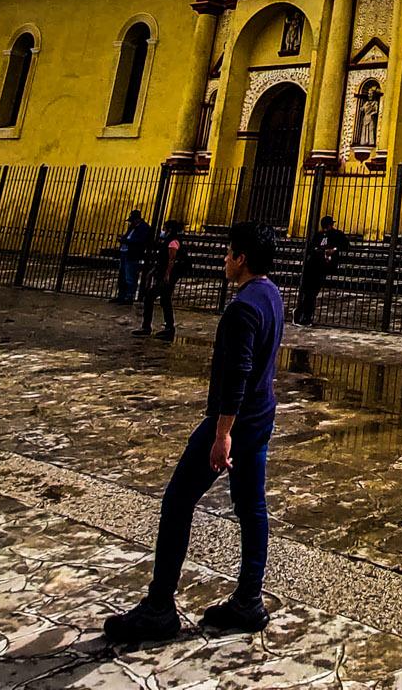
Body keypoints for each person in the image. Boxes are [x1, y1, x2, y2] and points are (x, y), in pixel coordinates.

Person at [105, 222, 284, 645]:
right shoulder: (272, 294)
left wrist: (222, 434)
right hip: (260, 417)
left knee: (178, 500)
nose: (223, 259)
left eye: (227, 254)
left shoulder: (243, 307)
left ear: (241, 258)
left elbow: (237, 374)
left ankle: (159, 607)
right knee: (252, 507)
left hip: (234, 424)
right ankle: (248, 600)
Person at [135, 219, 190, 341]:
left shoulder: (173, 241)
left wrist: (167, 274)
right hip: (165, 275)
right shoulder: (169, 240)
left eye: (164, 228)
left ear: (169, 229)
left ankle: (147, 327)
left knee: (150, 296)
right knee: (165, 300)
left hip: (168, 276)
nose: (163, 231)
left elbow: (171, 259)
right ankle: (168, 328)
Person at [294, 215, 349, 328]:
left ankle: (303, 315)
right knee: (310, 293)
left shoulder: (334, 234)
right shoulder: (322, 235)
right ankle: (303, 315)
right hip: (317, 266)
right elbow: (312, 248)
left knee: (310, 293)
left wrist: (333, 250)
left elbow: (345, 245)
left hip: (320, 267)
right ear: (330, 225)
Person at [115, 210, 152, 304]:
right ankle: (121, 296)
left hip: (133, 254)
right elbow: (128, 237)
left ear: (138, 219)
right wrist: (123, 238)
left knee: (130, 276)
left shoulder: (144, 227)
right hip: (125, 252)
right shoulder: (132, 226)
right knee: (122, 275)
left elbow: (140, 241)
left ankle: (129, 297)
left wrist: (126, 241)